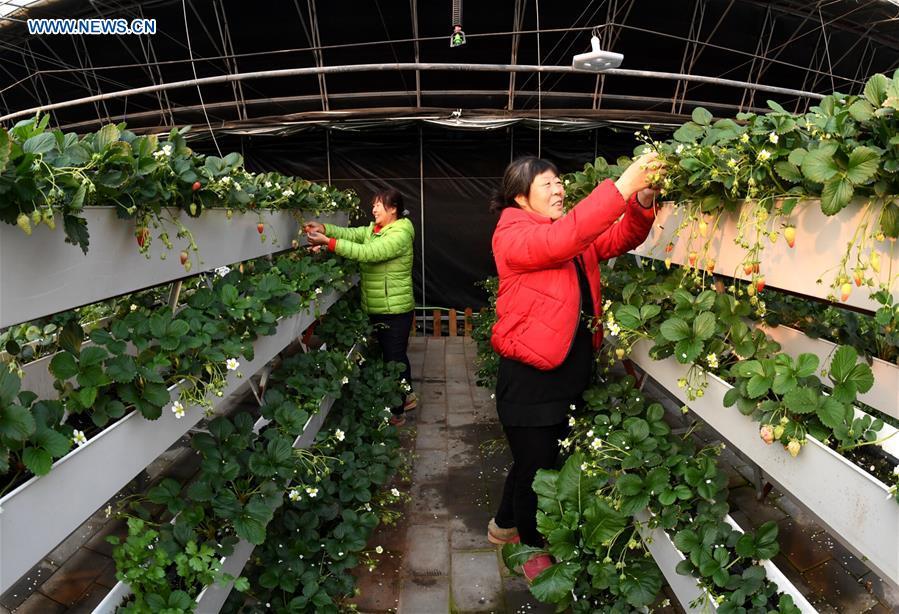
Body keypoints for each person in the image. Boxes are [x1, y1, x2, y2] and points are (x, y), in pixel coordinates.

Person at [487, 153, 662, 582]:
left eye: (559, 181)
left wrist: (639, 199)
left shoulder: (566, 236)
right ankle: (529, 547)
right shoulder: (512, 233)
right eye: (546, 184)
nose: (559, 189)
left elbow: (619, 238)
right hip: (529, 375)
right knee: (537, 467)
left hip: (568, 368)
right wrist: (618, 188)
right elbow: (559, 243)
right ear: (519, 196)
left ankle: (502, 525)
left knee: (538, 455)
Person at [304, 189, 418, 425]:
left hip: (395, 309)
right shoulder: (373, 230)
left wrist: (329, 243)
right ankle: (407, 396)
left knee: (393, 359)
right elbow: (352, 233)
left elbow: (369, 253)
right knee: (394, 355)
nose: (374, 209)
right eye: (373, 205)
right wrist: (325, 228)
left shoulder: (400, 233)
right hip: (377, 306)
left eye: (379, 205)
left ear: (393, 208)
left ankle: (396, 412)